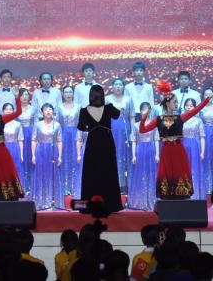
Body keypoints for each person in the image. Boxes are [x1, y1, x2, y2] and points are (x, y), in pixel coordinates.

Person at [140, 81, 213, 199]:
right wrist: (143, 119)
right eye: (174, 102)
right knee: (167, 172)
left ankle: (181, 196)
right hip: (166, 150)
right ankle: (168, 196)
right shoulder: (158, 119)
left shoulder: (181, 117)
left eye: (177, 102)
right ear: (167, 103)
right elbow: (143, 130)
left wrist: (207, 99)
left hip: (179, 149)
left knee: (179, 171)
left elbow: (196, 110)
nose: (176, 104)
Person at [78, 84, 125, 213]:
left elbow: (81, 127)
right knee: (108, 171)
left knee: (90, 173)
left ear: (91, 96)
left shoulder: (84, 110)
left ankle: (88, 206)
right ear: (102, 95)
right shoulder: (109, 108)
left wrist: (91, 126)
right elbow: (118, 114)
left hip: (92, 141)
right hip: (106, 141)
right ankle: (111, 205)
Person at [31, 103, 63, 210]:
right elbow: (34, 140)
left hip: (52, 151)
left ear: (53, 111)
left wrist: (60, 156)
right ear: (42, 112)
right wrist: (33, 155)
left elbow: (59, 141)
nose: (48, 111)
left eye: (50, 109)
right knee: (41, 175)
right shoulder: (38, 124)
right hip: (40, 151)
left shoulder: (57, 125)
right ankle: (40, 202)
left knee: (52, 175)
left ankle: (52, 201)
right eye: (46, 109)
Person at [127, 102, 158, 211]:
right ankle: (139, 201)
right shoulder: (136, 125)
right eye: (143, 109)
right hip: (140, 150)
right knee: (139, 175)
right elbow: (134, 141)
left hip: (151, 150)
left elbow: (156, 140)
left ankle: (152, 201)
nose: (145, 111)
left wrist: (157, 154)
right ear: (140, 111)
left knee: (151, 174)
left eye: (147, 109)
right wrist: (133, 156)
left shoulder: (154, 124)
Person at [58, 86, 82, 200]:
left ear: (73, 94)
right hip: (62, 134)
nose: (68, 94)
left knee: (75, 158)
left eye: (70, 92)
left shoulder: (78, 106)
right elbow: (57, 123)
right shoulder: (58, 107)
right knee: (63, 159)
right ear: (63, 94)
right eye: (66, 92)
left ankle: (74, 187)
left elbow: (81, 123)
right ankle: (64, 187)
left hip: (75, 134)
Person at [181, 98, 206, 201]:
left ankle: (194, 195)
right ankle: (183, 193)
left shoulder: (198, 120)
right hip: (183, 146)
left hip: (195, 147)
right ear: (184, 106)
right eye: (187, 105)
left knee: (194, 169)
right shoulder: (181, 119)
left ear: (195, 107)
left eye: (191, 106)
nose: (189, 107)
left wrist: (202, 152)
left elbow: (202, 137)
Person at [197, 90, 213, 197]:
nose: (208, 96)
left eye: (210, 94)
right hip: (203, 134)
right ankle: (205, 186)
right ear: (203, 96)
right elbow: (197, 122)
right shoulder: (200, 108)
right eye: (206, 94)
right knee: (204, 158)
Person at [15, 88, 37, 192]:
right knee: (20, 158)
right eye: (22, 95)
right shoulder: (15, 109)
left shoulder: (33, 109)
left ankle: (31, 185)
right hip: (18, 136)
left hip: (31, 135)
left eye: (26, 95)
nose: (24, 97)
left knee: (31, 158)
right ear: (19, 97)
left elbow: (36, 124)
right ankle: (21, 184)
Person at [2, 102, 25, 190]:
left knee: (15, 169)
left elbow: (20, 140)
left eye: (10, 109)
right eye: (6, 109)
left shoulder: (17, 124)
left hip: (15, 149)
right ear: (3, 111)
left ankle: (15, 190)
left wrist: (21, 154)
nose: (9, 111)